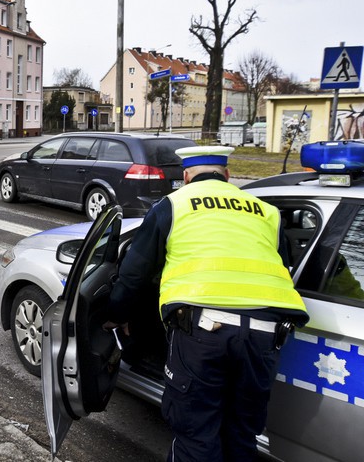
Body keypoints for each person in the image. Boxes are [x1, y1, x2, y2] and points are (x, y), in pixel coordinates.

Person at [103, 146, 309, 462]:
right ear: (227, 175)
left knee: (197, 436)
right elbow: (281, 264)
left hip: (204, 332)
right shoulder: (266, 210)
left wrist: (116, 315)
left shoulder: (173, 205)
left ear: (186, 177)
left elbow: (134, 274)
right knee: (242, 434)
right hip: (266, 334)